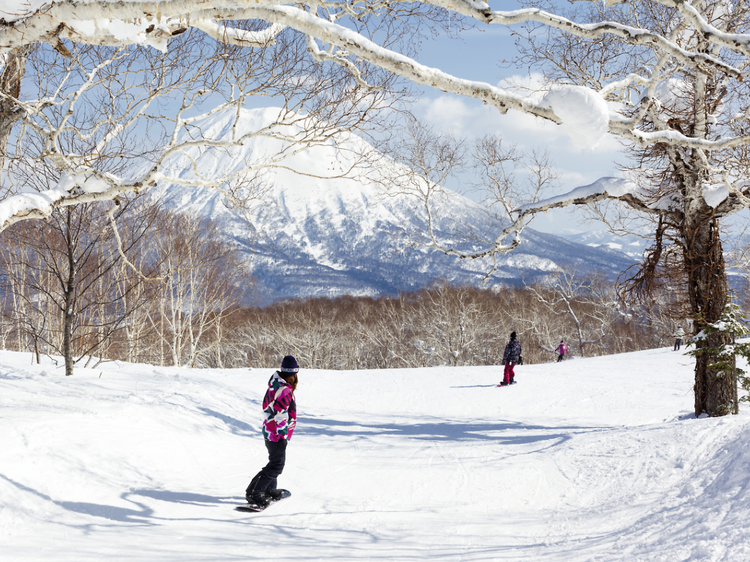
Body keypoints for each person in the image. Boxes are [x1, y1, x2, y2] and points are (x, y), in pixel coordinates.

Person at [245, 355, 298, 507]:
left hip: (269, 430)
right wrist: (282, 436)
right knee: (277, 465)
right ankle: (255, 492)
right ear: (294, 374)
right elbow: (280, 414)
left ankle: (268, 489)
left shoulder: (274, 384)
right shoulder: (285, 390)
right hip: (276, 434)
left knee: (274, 462)